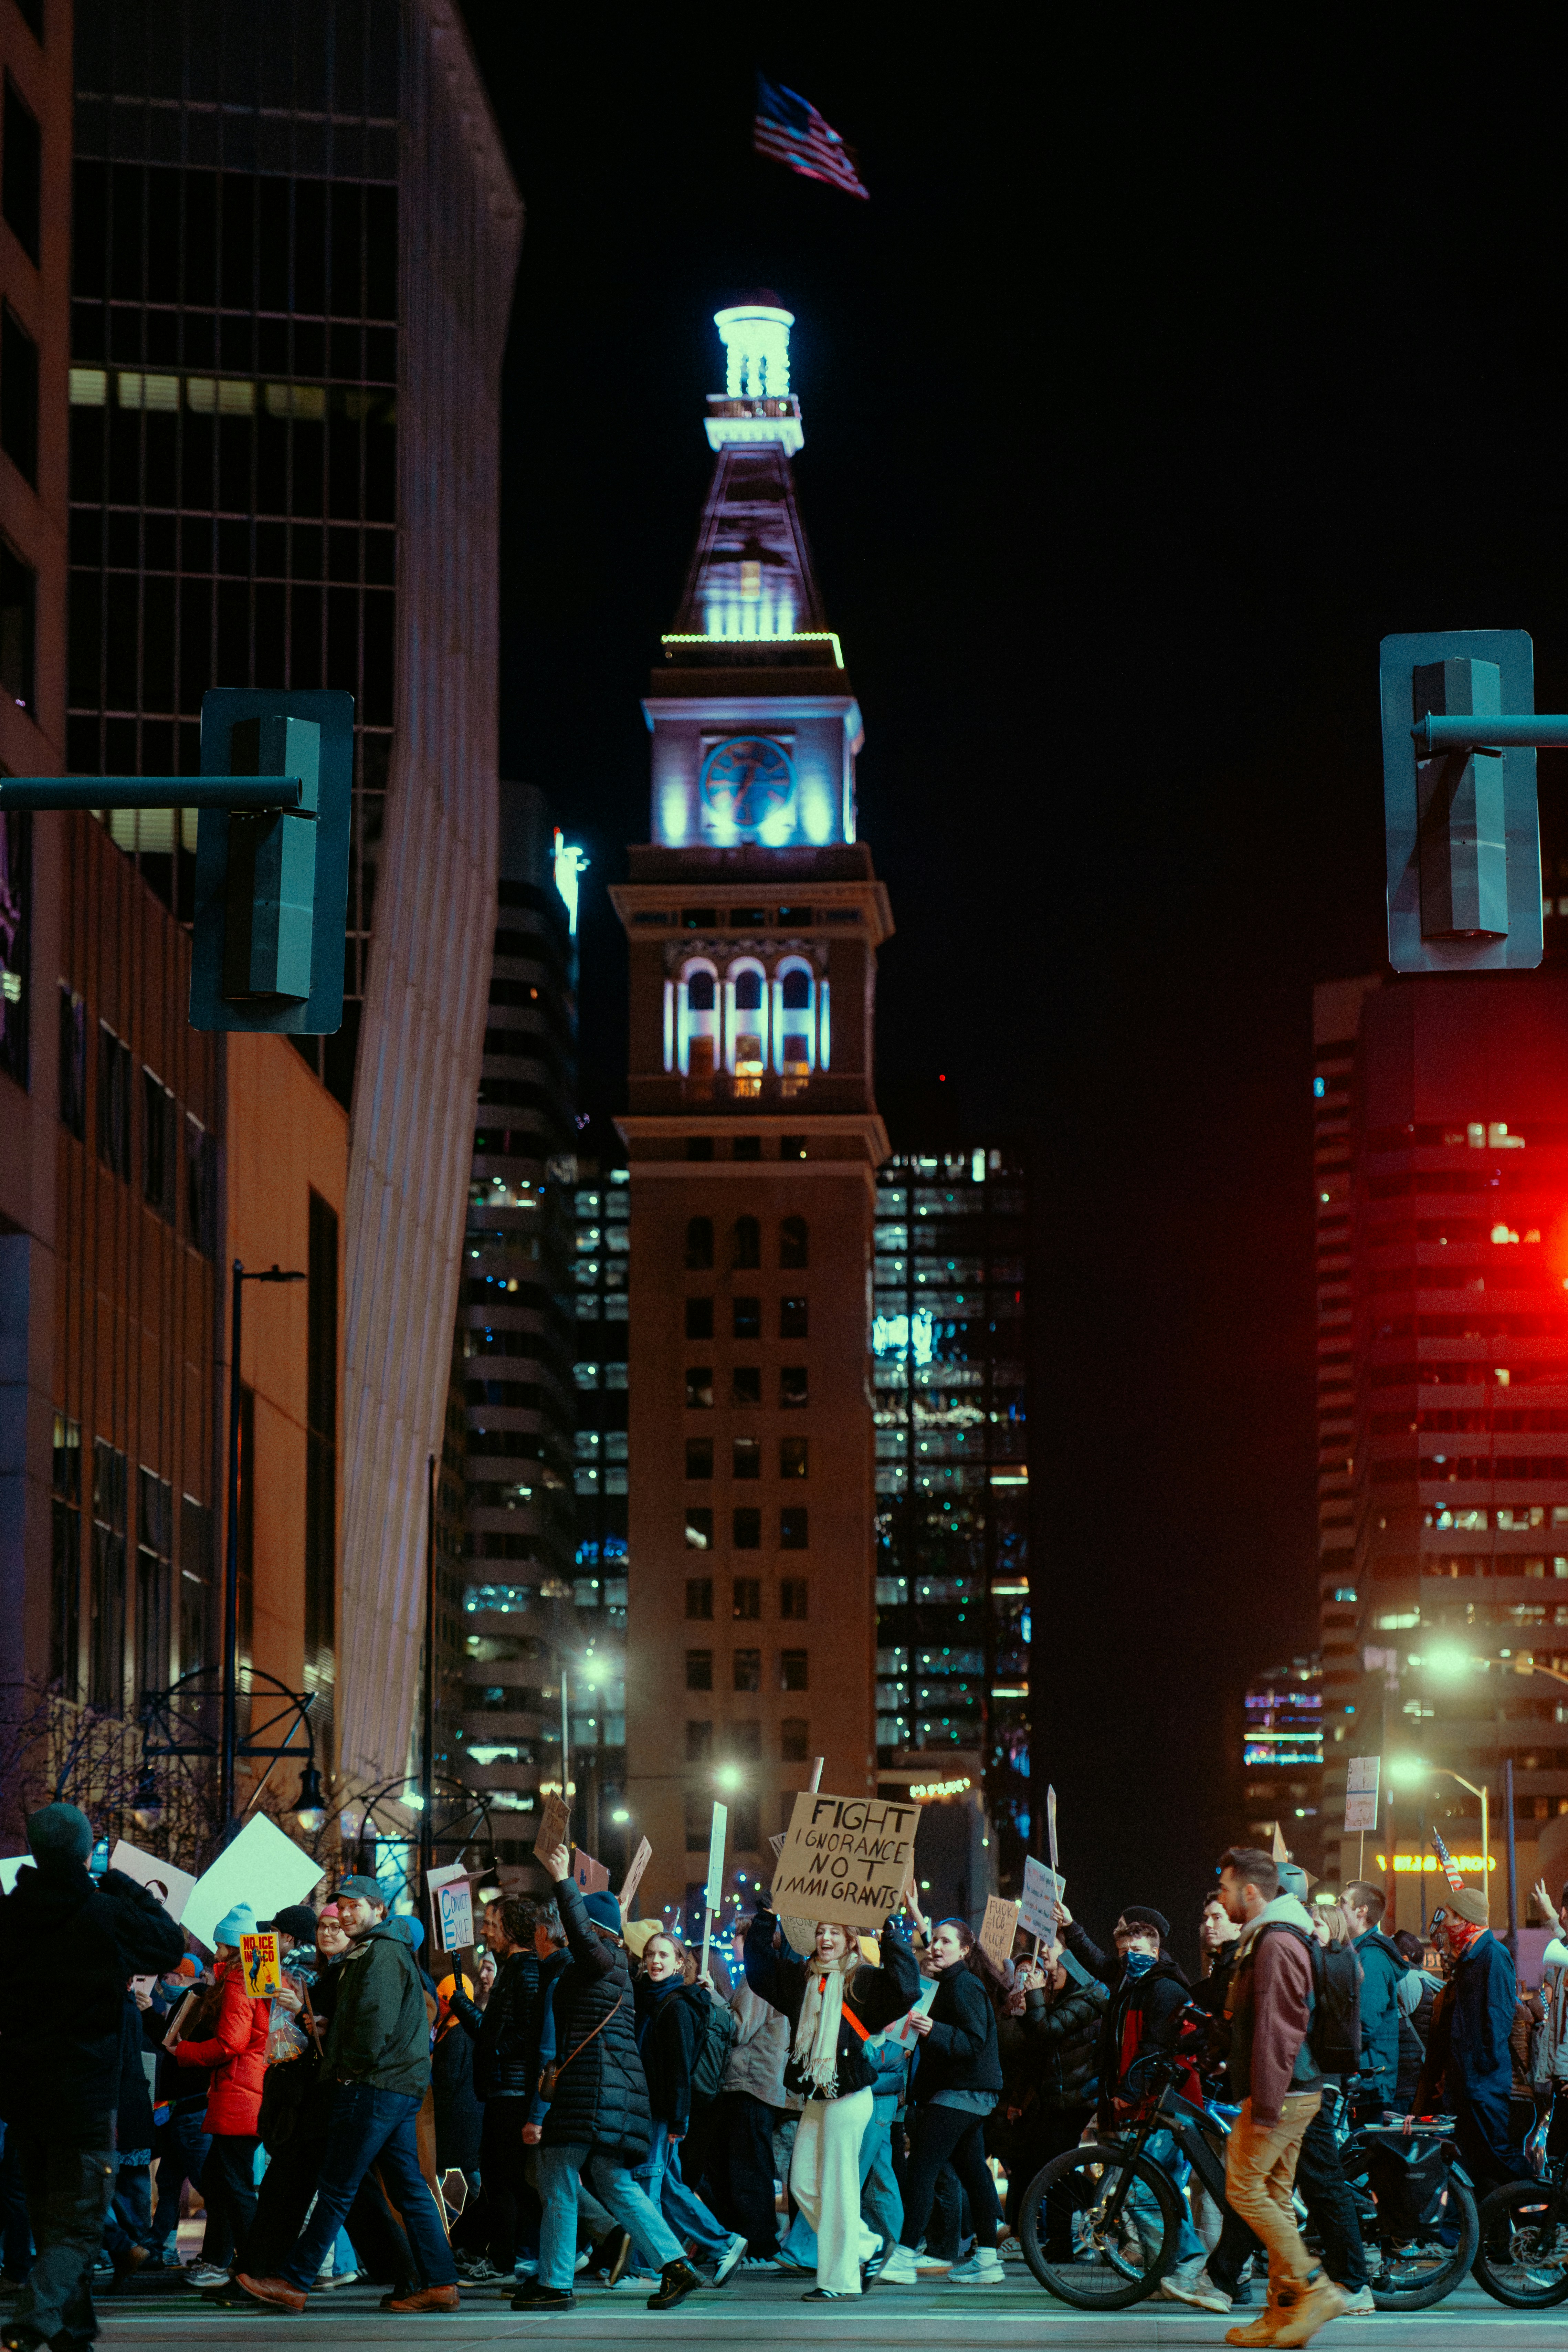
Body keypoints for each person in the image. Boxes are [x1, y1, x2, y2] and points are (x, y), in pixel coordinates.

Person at [0, 1802, 185, 2351]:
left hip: (24, 2090)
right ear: (86, 1852)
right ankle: (33, 2320)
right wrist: (127, 1885)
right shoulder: (103, 1913)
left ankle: (71, 2331)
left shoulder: (9, 1916)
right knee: (79, 2222)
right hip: (84, 2091)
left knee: (49, 2212)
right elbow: (168, 1946)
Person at [233, 1874, 460, 2314]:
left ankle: (294, 2283)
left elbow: (373, 2026)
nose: (347, 1913)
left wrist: (345, 2067)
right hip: (396, 2085)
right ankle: (441, 2283)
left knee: (337, 2186)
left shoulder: (379, 1955)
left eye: (357, 1905)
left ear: (378, 1910)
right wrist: (328, 2028)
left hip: (374, 2085)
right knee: (408, 2188)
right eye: (343, 1905)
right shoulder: (378, 1953)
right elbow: (370, 2022)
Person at [518, 1846, 701, 2316]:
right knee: (613, 2180)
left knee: (556, 2175)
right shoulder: (606, 1968)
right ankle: (676, 2264)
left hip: (591, 2093)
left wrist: (562, 1880)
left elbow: (578, 1938)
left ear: (594, 1932)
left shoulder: (602, 1962)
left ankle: (555, 2281)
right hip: (608, 2094)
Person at [744, 1889, 920, 2301]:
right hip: (818, 2097)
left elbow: (907, 1988)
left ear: (850, 1939)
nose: (826, 1938)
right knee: (803, 2183)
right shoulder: (799, 1979)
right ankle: (865, 2244)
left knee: (839, 2186)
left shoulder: (864, 1981)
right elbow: (758, 1970)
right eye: (821, 1931)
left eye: (835, 1933)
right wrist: (767, 1918)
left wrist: (890, 1932)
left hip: (851, 2096)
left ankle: (837, 2281)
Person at [1212, 1845, 1344, 2348]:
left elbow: (1278, 2030)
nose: (1220, 1899)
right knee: (1272, 2198)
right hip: (1290, 2090)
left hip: (1284, 2094)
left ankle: (1314, 2288)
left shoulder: (1275, 1944)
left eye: (1225, 1889)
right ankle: (1281, 2313)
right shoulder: (1264, 1938)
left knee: (1243, 2189)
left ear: (1250, 1892)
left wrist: (1264, 2105)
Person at [1057, 1897, 1207, 2284]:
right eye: (1124, 1952)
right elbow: (1097, 1962)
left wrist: (1128, 2090)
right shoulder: (1132, 1984)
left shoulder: (1164, 1989)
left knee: (1145, 2188)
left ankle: (1184, 2260)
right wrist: (1071, 1928)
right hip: (1144, 2102)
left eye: (1137, 1951)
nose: (1128, 1958)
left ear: (1156, 1951)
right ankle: (1170, 2264)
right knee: (1161, 2189)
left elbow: (1153, 2050)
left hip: (1164, 2104)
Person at [876, 1917, 1006, 2287]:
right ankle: (986, 2259)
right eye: (933, 1941)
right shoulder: (950, 1983)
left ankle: (902, 2256)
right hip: (968, 2095)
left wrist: (935, 2030)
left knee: (921, 2169)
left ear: (965, 1950)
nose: (935, 1947)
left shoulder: (964, 1985)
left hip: (959, 2093)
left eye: (945, 1942)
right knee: (974, 2175)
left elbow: (973, 2041)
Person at [630, 1933, 746, 2285]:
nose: (655, 1961)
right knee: (665, 2185)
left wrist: (679, 2119)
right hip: (654, 2108)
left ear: (680, 1962)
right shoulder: (652, 1999)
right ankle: (723, 2243)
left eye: (664, 1955)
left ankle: (646, 2265)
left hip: (662, 2111)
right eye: (650, 1954)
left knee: (650, 2184)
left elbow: (679, 2068)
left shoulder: (675, 2005)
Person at [446, 1895, 544, 2287]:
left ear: (512, 1928)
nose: (484, 1930)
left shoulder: (525, 1971)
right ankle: (492, 2251)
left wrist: (468, 2013)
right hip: (505, 2088)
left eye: (491, 1922)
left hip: (513, 2091)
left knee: (504, 2180)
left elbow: (521, 2034)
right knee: (503, 2179)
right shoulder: (514, 1969)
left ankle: (505, 2259)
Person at [171, 1905, 271, 2282]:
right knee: (219, 2180)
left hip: (238, 2093)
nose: (216, 1952)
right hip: (245, 2091)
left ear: (233, 1946)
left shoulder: (238, 1981)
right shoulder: (256, 1977)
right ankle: (218, 2259)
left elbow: (230, 2043)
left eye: (220, 1944)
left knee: (234, 2184)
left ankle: (252, 2267)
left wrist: (185, 2051)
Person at [1416, 1886, 1528, 2190]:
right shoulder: (1469, 1958)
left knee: (1498, 2154)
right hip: (1467, 2082)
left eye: (1449, 1917)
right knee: (1470, 2158)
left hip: (1481, 2083)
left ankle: (1541, 2210)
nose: (1444, 1926)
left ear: (1466, 1919)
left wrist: (1478, 2073)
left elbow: (1497, 2020)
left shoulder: (1492, 1955)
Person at [698, 1916, 791, 2266]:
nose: (732, 1943)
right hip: (758, 2083)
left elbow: (739, 2029)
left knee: (747, 2166)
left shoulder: (755, 1978)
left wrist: (712, 1999)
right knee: (743, 2163)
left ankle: (760, 2243)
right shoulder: (768, 1974)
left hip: (749, 2082)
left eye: (737, 1937)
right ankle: (750, 2239)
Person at [1343, 1881, 1402, 2120]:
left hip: (1369, 2081)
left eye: (1342, 1903)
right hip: (1364, 2077)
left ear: (1361, 1911)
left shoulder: (1371, 1958)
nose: (1338, 1909)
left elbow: (1363, 2023)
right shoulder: (1360, 1953)